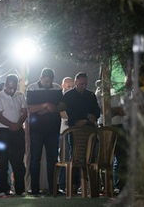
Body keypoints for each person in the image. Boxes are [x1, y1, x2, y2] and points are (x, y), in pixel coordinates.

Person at [26, 68, 66, 196]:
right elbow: (30, 108)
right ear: (41, 78)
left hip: (53, 130)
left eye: (50, 82)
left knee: (53, 160)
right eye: (46, 81)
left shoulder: (57, 87)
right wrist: (45, 105)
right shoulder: (32, 88)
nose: (48, 84)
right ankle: (35, 189)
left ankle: (53, 188)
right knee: (35, 159)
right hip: (36, 130)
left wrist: (52, 109)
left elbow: (63, 106)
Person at [63, 72, 100, 192]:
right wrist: (87, 117)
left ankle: (92, 184)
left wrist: (86, 119)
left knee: (91, 156)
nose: (84, 86)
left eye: (85, 84)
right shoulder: (68, 96)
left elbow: (96, 112)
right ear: (76, 82)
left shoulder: (91, 95)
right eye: (81, 83)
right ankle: (74, 184)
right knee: (76, 157)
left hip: (89, 131)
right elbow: (72, 113)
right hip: (75, 131)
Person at [0, 74, 27, 196]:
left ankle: (20, 189)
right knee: (2, 162)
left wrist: (18, 124)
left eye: (14, 86)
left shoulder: (21, 95)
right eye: (10, 86)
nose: (12, 89)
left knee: (18, 161)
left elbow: (24, 112)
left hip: (18, 132)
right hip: (3, 132)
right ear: (6, 83)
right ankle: (3, 189)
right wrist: (11, 125)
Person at [58, 76, 74, 193]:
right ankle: (62, 184)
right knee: (64, 158)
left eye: (72, 86)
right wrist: (73, 116)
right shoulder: (60, 98)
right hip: (62, 132)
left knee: (71, 158)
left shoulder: (73, 98)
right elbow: (62, 113)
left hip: (72, 131)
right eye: (68, 86)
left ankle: (71, 183)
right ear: (63, 86)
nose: (70, 88)